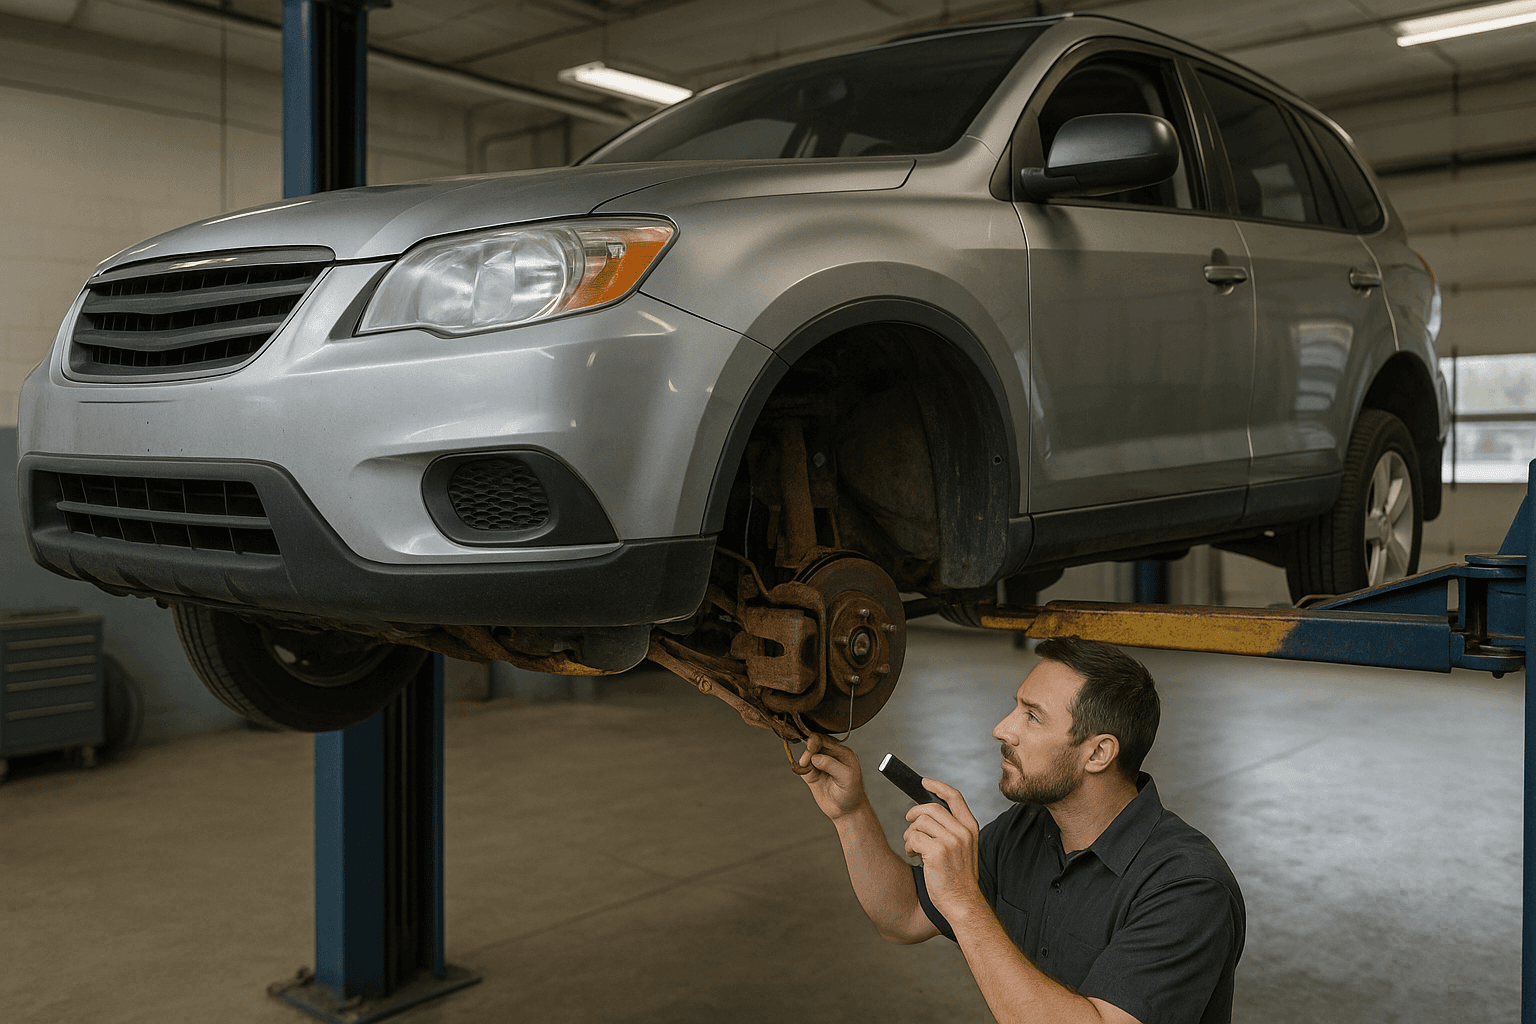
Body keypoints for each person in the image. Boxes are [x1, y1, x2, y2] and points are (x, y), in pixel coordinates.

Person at [796, 635, 1245, 1024]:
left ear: (1098, 754)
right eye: (1016, 707)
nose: (1001, 729)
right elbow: (903, 918)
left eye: (1032, 717)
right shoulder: (1029, 827)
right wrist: (850, 814)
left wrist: (964, 902)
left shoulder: (1189, 888)